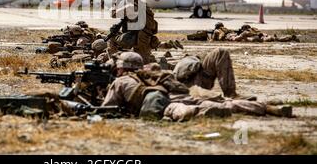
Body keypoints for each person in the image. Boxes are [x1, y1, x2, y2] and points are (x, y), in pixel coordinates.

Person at [102, 51, 293, 121]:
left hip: (164, 102)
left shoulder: (121, 81)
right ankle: (268, 107)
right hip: (178, 94)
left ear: (121, 69)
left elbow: (105, 109)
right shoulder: (151, 72)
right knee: (227, 103)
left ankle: (197, 112)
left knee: (187, 109)